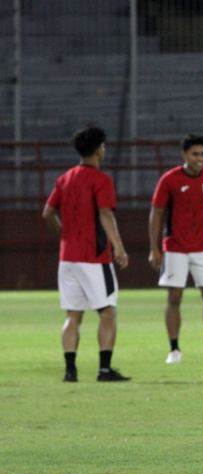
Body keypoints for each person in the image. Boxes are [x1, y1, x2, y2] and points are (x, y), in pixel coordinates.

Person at [42, 125, 130, 382]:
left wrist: (63, 234)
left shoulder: (65, 178)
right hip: (93, 257)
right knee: (108, 312)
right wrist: (118, 246)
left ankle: (70, 371)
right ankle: (104, 370)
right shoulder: (101, 180)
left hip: (67, 257)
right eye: (103, 146)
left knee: (73, 315)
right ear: (98, 149)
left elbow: (47, 213)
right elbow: (105, 214)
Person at [148, 134, 203, 365]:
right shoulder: (169, 180)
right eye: (195, 154)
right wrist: (154, 248)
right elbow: (157, 213)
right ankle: (174, 350)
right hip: (175, 247)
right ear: (184, 155)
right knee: (174, 297)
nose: (200, 158)